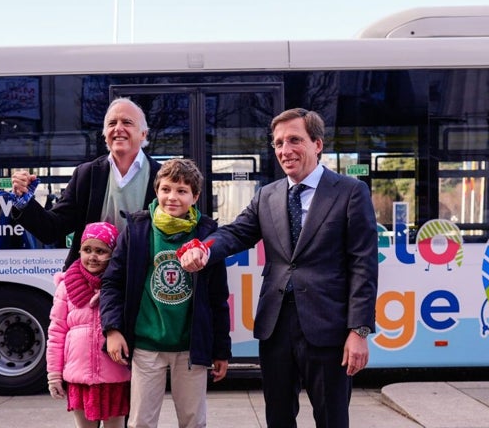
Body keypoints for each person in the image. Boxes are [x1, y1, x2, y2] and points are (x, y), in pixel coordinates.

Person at [178, 108, 378, 428]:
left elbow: (363, 266)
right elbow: (235, 233)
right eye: (278, 143)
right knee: (278, 418)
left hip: (328, 329)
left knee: (332, 418)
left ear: (317, 144)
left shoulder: (351, 192)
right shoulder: (267, 195)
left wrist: (359, 331)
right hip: (275, 328)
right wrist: (203, 249)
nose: (285, 150)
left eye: (294, 140)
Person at [100, 158, 231, 428]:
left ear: (195, 197)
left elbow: (218, 298)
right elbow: (112, 283)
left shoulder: (207, 235)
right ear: (157, 190)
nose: (172, 197)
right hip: (147, 346)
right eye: (166, 189)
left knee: (193, 421)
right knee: (141, 422)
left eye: (182, 191)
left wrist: (221, 350)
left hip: (190, 348)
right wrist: (112, 330)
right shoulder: (137, 231)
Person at [10, 98, 162, 270]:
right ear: (105, 135)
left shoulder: (161, 177)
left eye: (127, 122)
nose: (118, 128)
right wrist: (24, 201)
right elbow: (51, 229)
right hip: (91, 284)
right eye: (112, 123)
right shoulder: (86, 175)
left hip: (141, 282)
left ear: (143, 133)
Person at [46, 222, 131, 428]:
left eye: (101, 251)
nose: (92, 256)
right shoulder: (66, 286)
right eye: (87, 250)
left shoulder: (121, 286)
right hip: (79, 379)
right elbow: (57, 333)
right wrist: (54, 375)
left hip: (115, 377)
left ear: (113, 253)